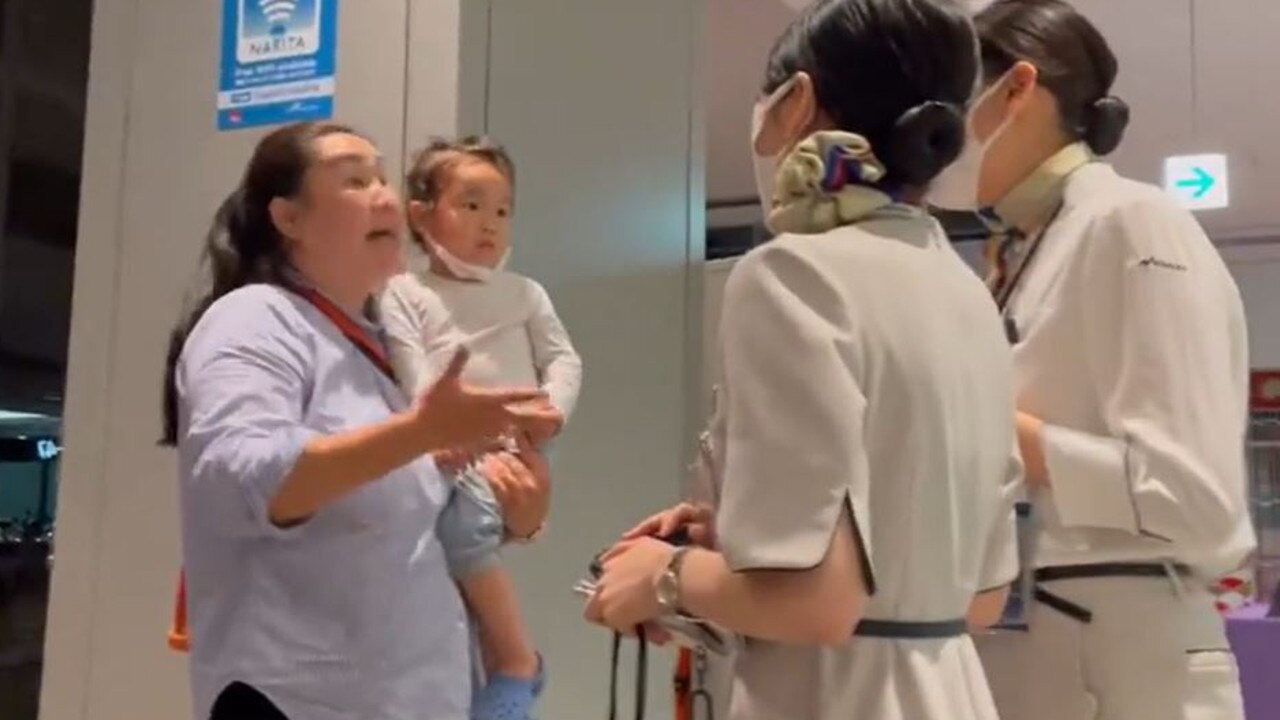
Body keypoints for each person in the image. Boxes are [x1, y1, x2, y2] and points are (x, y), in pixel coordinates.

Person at [583, 1, 1022, 719]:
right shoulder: (968, 292)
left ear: (799, 103)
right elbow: (982, 597)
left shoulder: (792, 275)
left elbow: (816, 604)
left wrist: (664, 574)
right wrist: (730, 547)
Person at [161, 121, 560, 720]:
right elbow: (249, 478)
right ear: (288, 218)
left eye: (381, 177)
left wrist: (516, 520)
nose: (385, 196)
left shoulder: (380, 348)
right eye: (354, 180)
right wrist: (422, 433)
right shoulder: (252, 320)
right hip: (296, 700)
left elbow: (392, 520)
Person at [928, 1, 1255, 718]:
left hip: (1127, 655)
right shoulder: (1017, 250)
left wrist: (1003, 434)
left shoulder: (1134, 223)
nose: (944, 136)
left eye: (954, 102)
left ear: (1017, 90)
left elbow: (1195, 497)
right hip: (1039, 638)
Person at [379, 136, 583, 720]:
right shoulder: (405, 292)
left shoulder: (523, 292)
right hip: (446, 449)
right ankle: (509, 663)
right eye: (471, 205)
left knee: (465, 532)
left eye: (502, 210)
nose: (489, 224)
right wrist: (434, 430)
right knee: (454, 537)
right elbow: (412, 367)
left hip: (510, 448)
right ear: (420, 215)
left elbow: (564, 358)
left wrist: (554, 409)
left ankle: (516, 662)